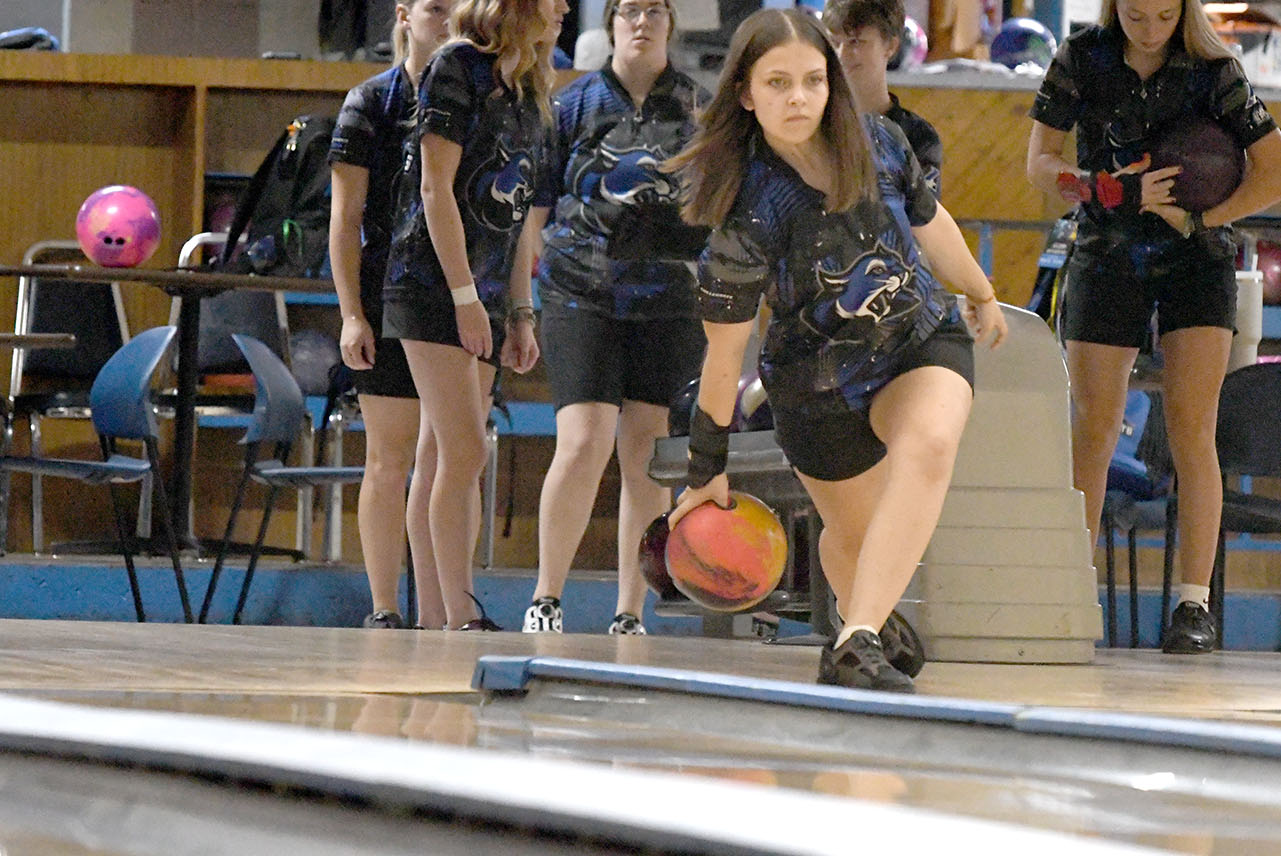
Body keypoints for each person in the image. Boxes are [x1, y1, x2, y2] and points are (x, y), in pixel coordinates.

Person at [666, 8, 1007, 692]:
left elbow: (929, 221)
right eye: (778, 83)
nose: (799, 98)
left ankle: (855, 637)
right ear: (745, 94)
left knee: (929, 445)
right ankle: (867, 625)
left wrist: (981, 289)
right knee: (852, 537)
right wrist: (706, 466)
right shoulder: (746, 213)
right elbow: (724, 357)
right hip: (813, 386)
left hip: (915, 340)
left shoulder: (880, 143)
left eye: (813, 81)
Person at [1026, 0, 1281, 653]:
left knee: (1191, 429)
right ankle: (1069, 587)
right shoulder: (1081, 58)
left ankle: (1192, 606)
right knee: (1094, 427)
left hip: (1196, 261)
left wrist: (1204, 221)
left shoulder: (1215, 70)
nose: (1149, 29)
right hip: (1105, 251)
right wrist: (1106, 191)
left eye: (1162, 16)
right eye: (1136, 15)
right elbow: (1039, 164)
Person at [523, 0, 710, 635]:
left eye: (656, 9)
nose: (642, 20)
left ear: (670, 25)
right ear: (611, 24)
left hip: (669, 304)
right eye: (629, 9)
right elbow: (537, 208)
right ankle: (547, 596)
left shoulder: (698, 107)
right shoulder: (573, 105)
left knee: (646, 455)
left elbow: (718, 206)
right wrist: (520, 303)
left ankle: (630, 610)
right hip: (581, 293)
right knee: (581, 442)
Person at [382, 0, 561, 631]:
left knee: (444, 456)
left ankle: (436, 616)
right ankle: (460, 611)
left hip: (482, 290)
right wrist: (463, 296)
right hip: (430, 284)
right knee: (463, 451)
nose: (565, 6)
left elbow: (517, 219)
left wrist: (519, 311)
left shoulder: (531, 85)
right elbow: (436, 190)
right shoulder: (457, 65)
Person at [329, 0, 455, 630]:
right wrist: (353, 313)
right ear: (405, 15)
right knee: (389, 456)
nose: (450, 19)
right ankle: (384, 605)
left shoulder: (477, 94)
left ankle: (446, 606)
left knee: (455, 458)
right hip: (385, 292)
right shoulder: (371, 102)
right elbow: (345, 222)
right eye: (437, 8)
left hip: (456, 297)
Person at [821, 0, 943, 198]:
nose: (841, 55)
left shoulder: (918, 137)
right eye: (834, 43)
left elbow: (924, 222)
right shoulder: (813, 126)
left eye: (855, 42)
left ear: (891, 46)